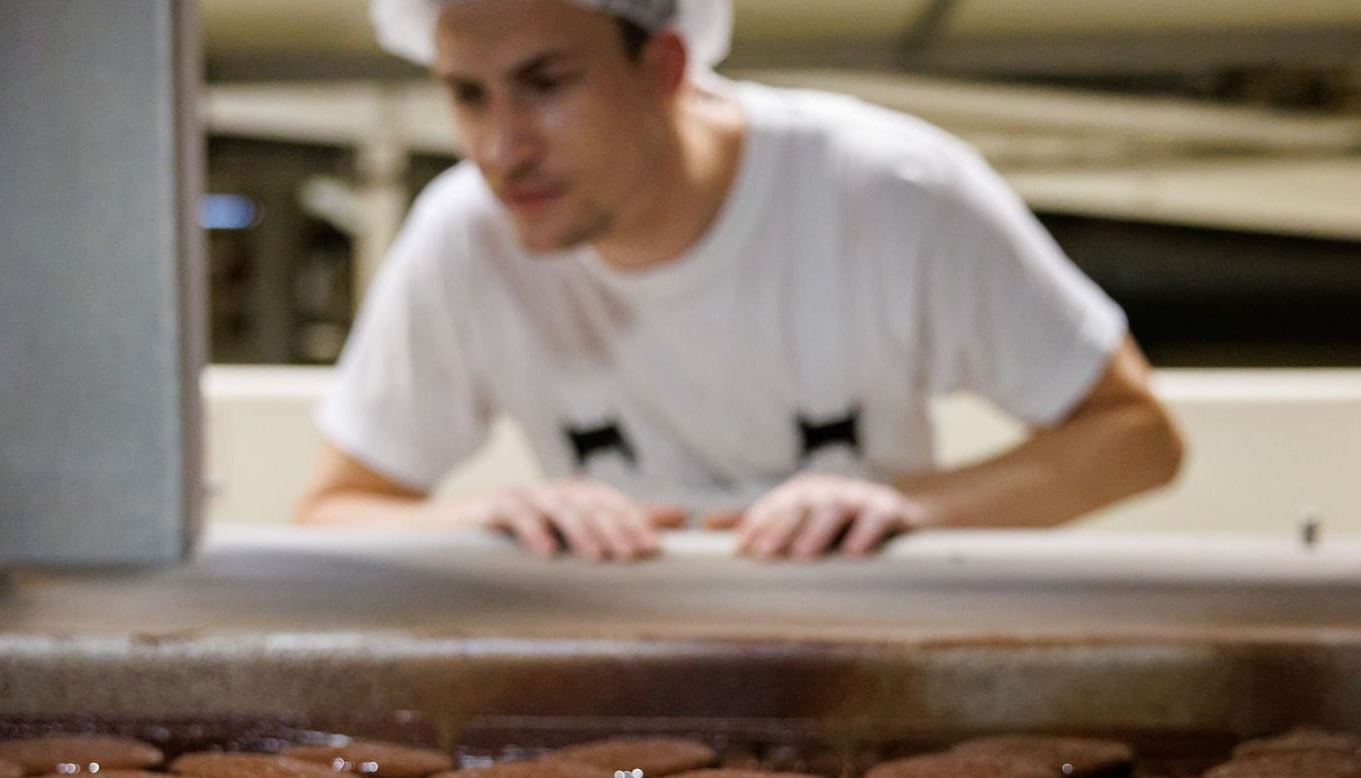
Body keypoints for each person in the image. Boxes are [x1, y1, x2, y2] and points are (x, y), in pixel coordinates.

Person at [299, 0, 1183, 560]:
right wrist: (492, 516)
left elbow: (1135, 434)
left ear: (665, 68)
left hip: (866, 664)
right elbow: (333, 511)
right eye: (468, 95)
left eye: (546, 84)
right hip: (620, 687)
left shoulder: (886, 191)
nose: (502, 146)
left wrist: (899, 509)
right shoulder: (466, 235)